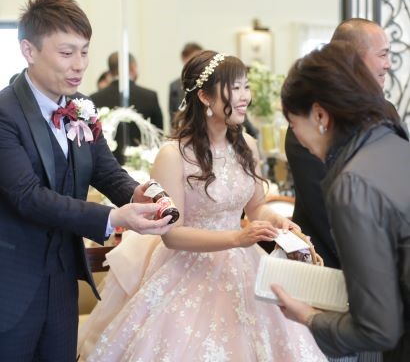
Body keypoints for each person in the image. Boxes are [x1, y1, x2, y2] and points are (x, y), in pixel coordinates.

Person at [78, 50, 327, 361]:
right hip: (186, 268)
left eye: (246, 87)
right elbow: (172, 235)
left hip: (245, 264)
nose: (245, 97)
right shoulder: (174, 155)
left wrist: (276, 221)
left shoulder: (247, 145)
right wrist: (237, 237)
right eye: (235, 88)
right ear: (205, 97)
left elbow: (256, 207)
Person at [0, 0, 172, 361]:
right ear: (29, 50)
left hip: (63, 280)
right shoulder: (4, 113)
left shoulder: (81, 108)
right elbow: (28, 196)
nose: (79, 65)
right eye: (66, 53)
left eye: (84, 52)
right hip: (11, 284)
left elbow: (106, 171)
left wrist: (139, 196)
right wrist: (113, 217)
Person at [271, 41, 410, 361]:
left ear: (320, 115)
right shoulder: (394, 146)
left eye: (293, 123)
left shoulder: (351, 184)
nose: (297, 138)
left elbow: (377, 328)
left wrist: (307, 315)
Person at [285, 18, 393, 268]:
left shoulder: (386, 111)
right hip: (328, 263)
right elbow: (323, 207)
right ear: (352, 58)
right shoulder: (309, 118)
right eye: (382, 55)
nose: (388, 64)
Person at [91, 51, 163, 164]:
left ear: (110, 71)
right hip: (141, 163)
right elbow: (158, 134)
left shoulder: (95, 98)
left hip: (106, 163)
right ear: (133, 67)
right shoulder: (149, 96)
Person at [169, 42, 203, 128]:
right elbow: (172, 115)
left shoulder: (209, 80)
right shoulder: (175, 85)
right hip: (183, 128)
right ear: (183, 60)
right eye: (189, 59)